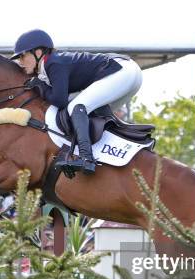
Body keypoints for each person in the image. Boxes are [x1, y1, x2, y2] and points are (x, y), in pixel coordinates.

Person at [11, 29, 142, 175]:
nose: (20, 61)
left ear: (39, 52)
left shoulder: (53, 62)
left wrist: (40, 86)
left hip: (122, 71)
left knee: (77, 107)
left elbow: (60, 100)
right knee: (91, 113)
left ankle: (86, 158)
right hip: (127, 73)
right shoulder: (48, 66)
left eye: (23, 56)